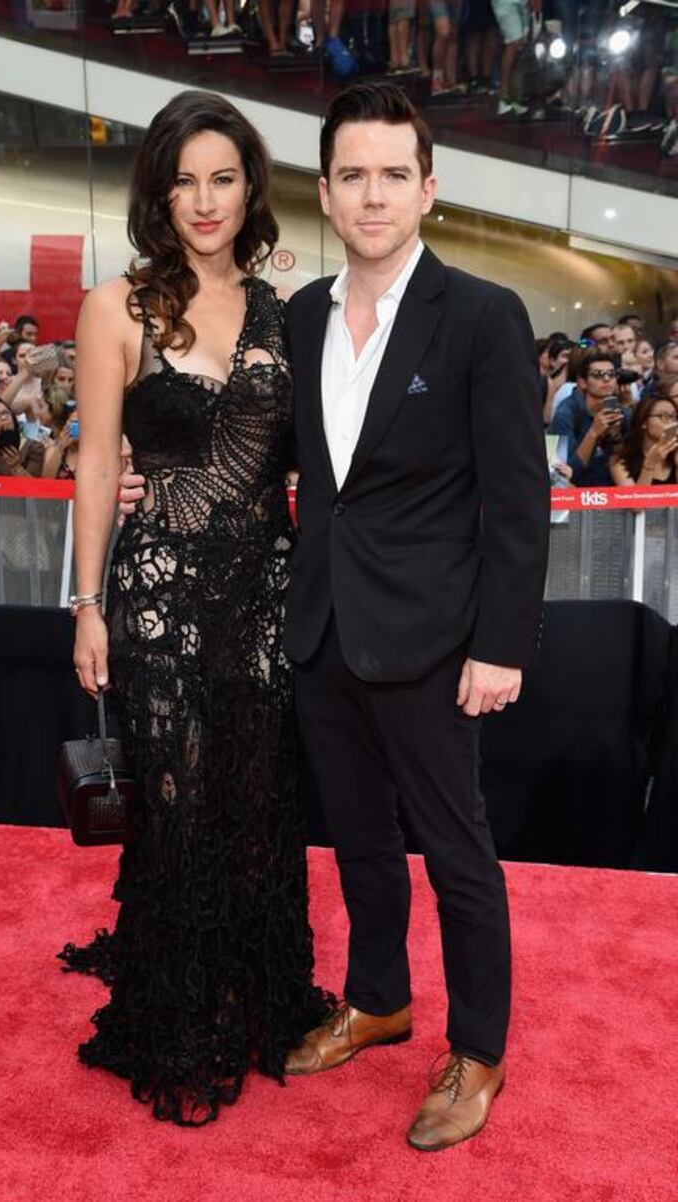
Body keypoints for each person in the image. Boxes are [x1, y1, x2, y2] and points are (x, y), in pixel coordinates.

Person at [280, 82, 549, 1152]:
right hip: (324, 630)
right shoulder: (300, 316)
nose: (373, 193)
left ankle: (476, 1047)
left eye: (394, 173)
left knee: (456, 853)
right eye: (353, 174)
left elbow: (516, 498)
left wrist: (499, 642)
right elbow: (304, 478)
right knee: (355, 840)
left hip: (436, 642)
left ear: (428, 189)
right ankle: (377, 997)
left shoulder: (482, 314)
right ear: (326, 190)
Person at [59, 89, 333, 1127]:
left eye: (222, 177)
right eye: (183, 179)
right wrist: (84, 603)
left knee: (258, 802)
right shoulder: (116, 304)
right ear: (157, 192)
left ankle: (257, 990)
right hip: (161, 596)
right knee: (176, 807)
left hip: (267, 594)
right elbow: (94, 465)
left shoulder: (283, 310)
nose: (203, 200)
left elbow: (314, 456)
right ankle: (182, 1002)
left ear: (250, 188)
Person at [548, 348, 627, 486]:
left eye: (611, 374)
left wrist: (616, 437)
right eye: (597, 375)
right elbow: (555, 477)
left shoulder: (624, 413)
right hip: (577, 498)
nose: (606, 379)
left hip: (614, 499)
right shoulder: (563, 414)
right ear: (582, 382)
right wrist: (593, 433)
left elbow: (630, 468)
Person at [610, 385, 678, 487]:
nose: (670, 422)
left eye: (674, 417)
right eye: (663, 416)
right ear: (644, 421)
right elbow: (636, 500)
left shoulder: (675, 455)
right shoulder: (620, 461)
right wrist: (649, 466)